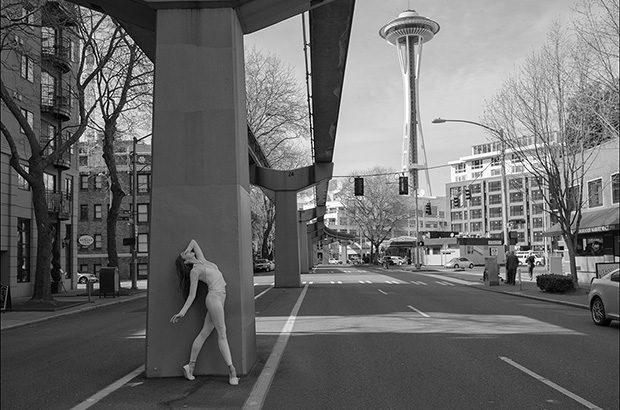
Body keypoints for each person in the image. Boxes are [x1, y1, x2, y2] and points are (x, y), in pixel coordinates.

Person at [170, 239, 239, 385]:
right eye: (185, 253)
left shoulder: (202, 260)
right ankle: (232, 371)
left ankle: (190, 366)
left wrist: (187, 252)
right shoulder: (195, 271)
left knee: (205, 332)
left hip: (221, 297)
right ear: (185, 262)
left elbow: (193, 242)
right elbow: (191, 295)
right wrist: (182, 312)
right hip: (214, 298)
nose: (187, 250)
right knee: (222, 332)